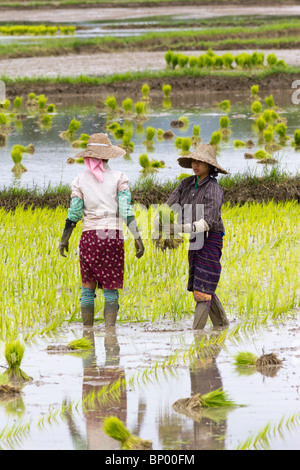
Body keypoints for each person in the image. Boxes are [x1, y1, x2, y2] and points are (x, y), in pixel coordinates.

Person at [59, 133, 144, 328]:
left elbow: (74, 213)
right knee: (110, 287)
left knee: (87, 286)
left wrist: (65, 239)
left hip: (90, 237)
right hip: (112, 236)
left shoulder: (79, 180)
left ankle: (87, 332)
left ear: (88, 156)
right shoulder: (119, 178)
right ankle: (110, 332)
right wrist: (137, 236)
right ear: (107, 156)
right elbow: (125, 210)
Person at [159, 143, 229, 330]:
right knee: (201, 283)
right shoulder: (186, 184)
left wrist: (181, 227)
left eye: (200, 162)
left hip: (210, 237)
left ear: (210, 166)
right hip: (194, 238)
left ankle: (197, 333)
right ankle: (222, 326)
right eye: (194, 161)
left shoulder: (213, 189)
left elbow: (210, 220)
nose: (195, 165)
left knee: (203, 287)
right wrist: (162, 223)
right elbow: (168, 206)